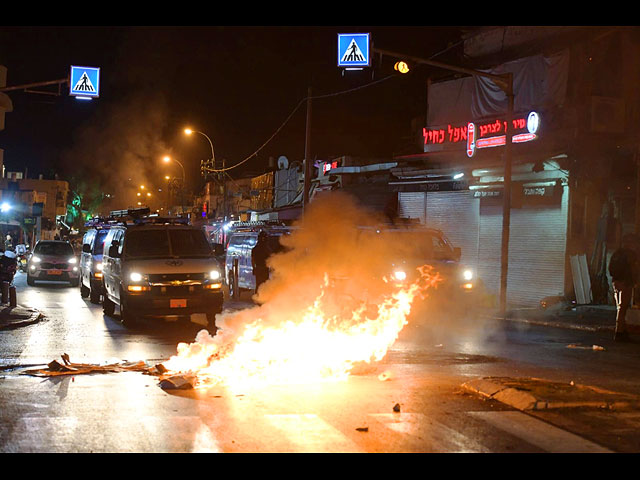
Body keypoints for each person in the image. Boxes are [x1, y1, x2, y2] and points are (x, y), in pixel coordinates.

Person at [608, 233, 639, 342]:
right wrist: (634, 281)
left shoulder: (616, 253)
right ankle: (619, 332)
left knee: (620, 307)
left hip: (616, 283)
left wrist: (616, 280)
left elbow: (610, 268)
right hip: (626, 283)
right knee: (622, 308)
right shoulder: (630, 254)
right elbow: (633, 269)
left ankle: (622, 330)